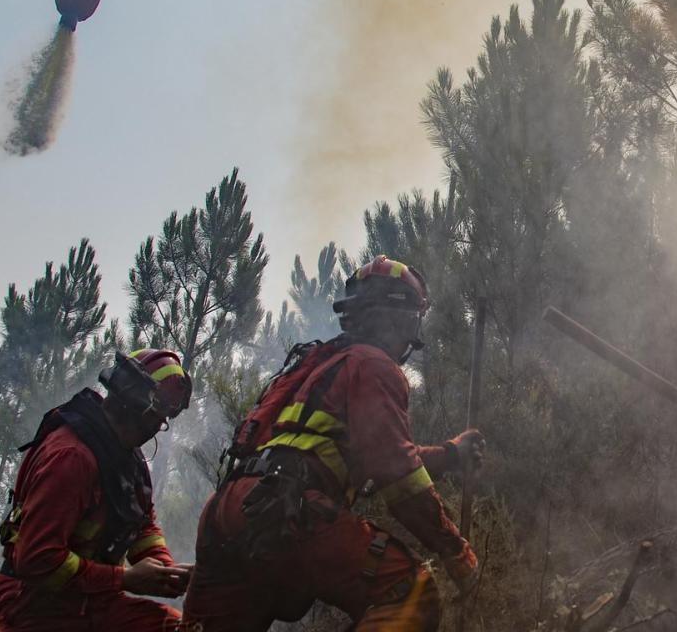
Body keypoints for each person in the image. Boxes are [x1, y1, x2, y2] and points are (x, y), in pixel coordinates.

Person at [181, 255, 483, 632]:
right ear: (400, 316)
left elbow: (370, 455)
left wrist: (451, 453)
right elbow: (399, 476)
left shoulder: (317, 366)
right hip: (289, 509)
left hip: (230, 510)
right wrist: (454, 550)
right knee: (408, 592)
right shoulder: (374, 365)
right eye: (413, 318)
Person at [0, 348, 194, 632]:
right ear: (135, 404)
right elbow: (37, 559)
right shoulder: (72, 457)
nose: (159, 426)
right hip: (30, 609)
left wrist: (165, 572)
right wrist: (125, 580)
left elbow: (142, 526)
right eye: (158, 414)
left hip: (93, 605)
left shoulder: (127, 459)